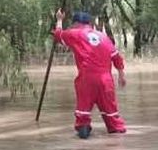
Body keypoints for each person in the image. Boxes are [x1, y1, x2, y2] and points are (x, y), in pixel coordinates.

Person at [54, 9, 127, 139]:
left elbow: (58, 35)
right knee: (112, 117)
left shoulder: (74, 33)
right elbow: (117, 57)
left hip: (86, 80)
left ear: (76, 23)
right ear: (89, 23)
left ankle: (84, 131)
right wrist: (121, 75)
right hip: (106, 80)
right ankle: (116, 139)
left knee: (83, 116)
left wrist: (59, 19)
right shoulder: (104, 37)